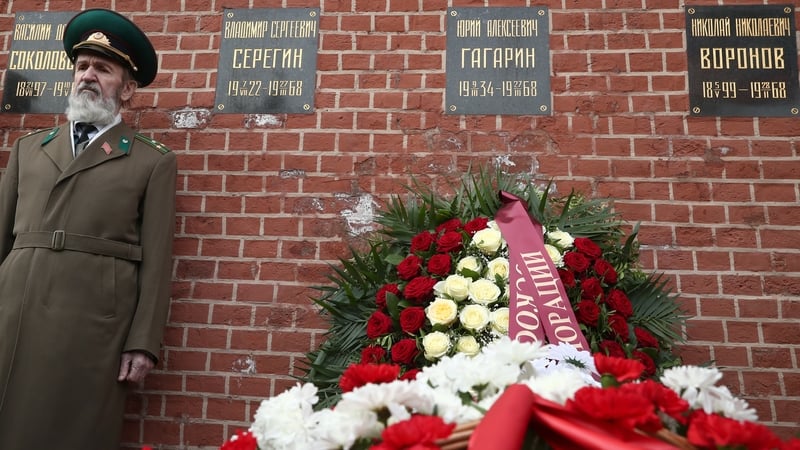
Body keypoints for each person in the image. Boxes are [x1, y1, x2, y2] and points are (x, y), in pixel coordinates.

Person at [0, 8, 176, 449]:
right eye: (82, 66)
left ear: (128, 89)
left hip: (93, 325)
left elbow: (157, 262)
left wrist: (143, 342)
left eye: (103, 69)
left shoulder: (151, 161)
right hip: (15, 311)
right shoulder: (28, 150)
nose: (88, 76)